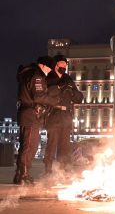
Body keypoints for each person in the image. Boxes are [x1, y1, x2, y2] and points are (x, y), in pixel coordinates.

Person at [14, 56, 60, 185]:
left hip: (27, 113)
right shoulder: (37, 76)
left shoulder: (29, 74)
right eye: (49, 68)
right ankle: (23, 175)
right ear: (43, 65)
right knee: (30, 146)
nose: (49, 71)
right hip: (30, 115)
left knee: (26, 145)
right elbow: (39, 96)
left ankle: (20, 173)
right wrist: (54, 101)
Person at [43, 54, 83, 174]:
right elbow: (47, 94)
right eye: (62, 64)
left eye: (66, 64)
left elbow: (79, 98)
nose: (64, 66)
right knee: (52, 144)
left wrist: (72, 91)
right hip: (53, 114)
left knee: (65, 145)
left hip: (66, 115)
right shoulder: (49, 78)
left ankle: (63, 170)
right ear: (56, 65)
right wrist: (59, 87)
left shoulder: (68, 79)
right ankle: (48, 170)